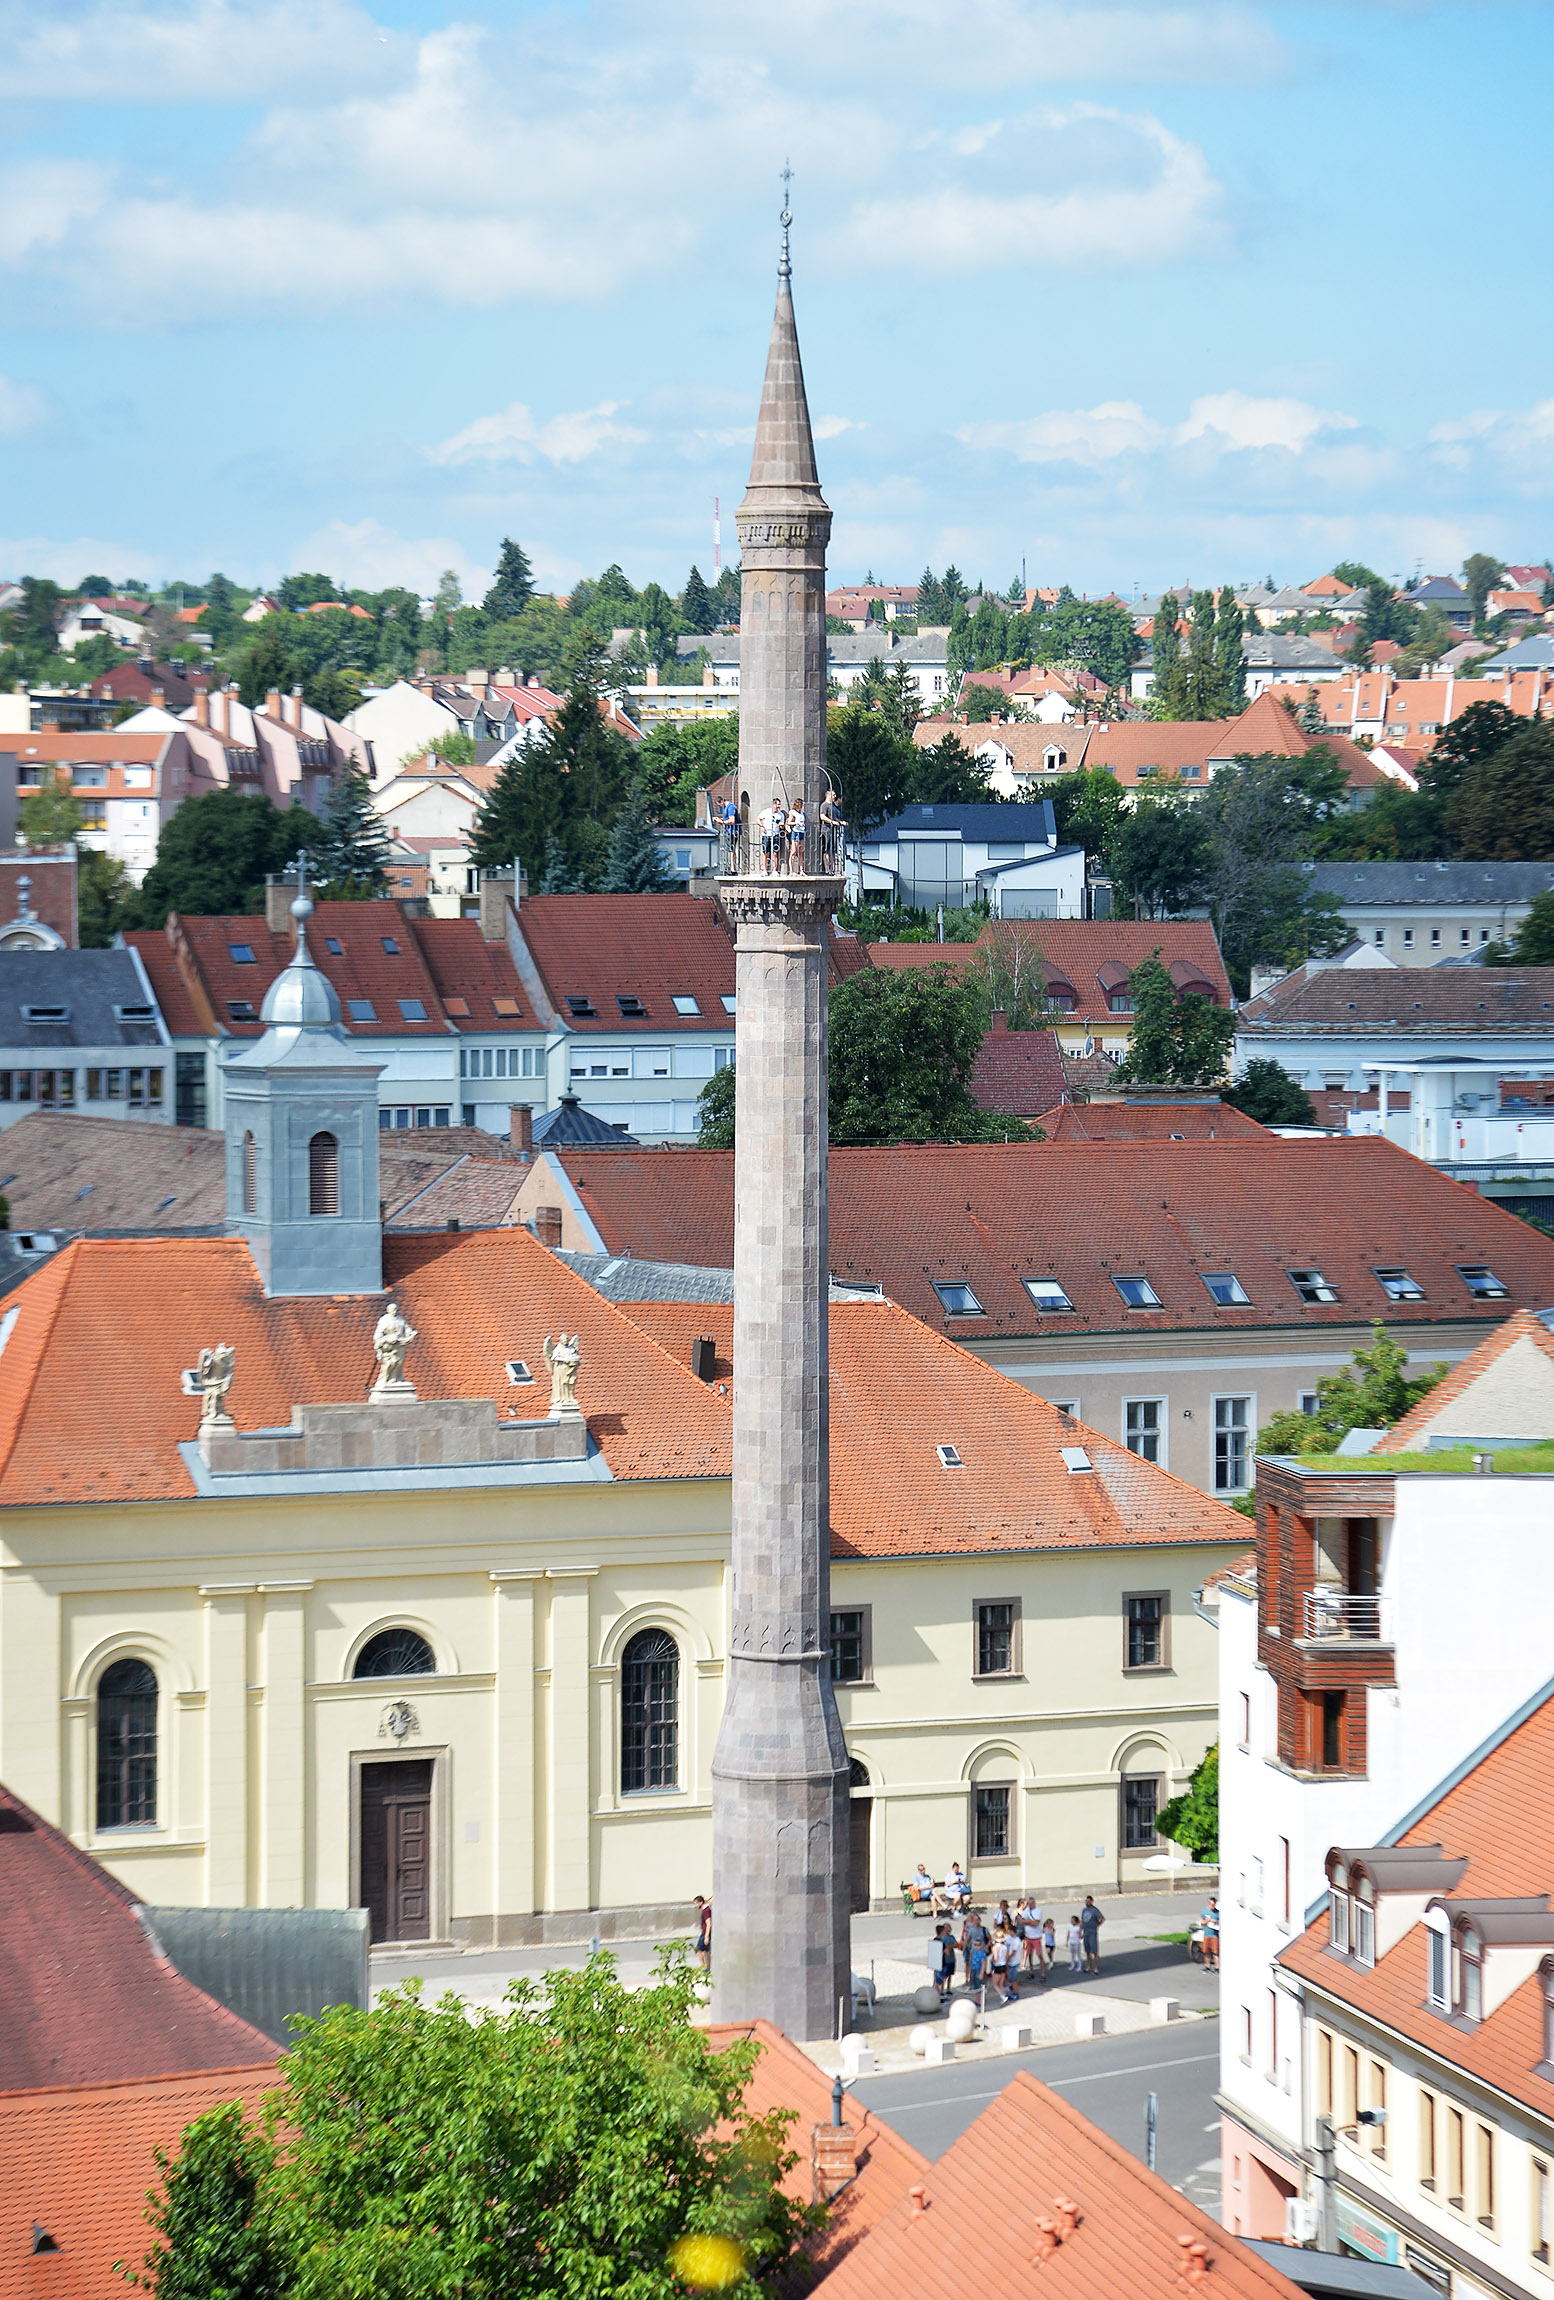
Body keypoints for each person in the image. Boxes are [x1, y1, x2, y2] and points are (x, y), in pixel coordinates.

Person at [961, 1908, 991, 1996]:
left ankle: (984, 1986)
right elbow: (967, 1939)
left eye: (978, 1920)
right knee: (972, 1968)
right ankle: (971, 1985)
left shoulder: (984, 1929)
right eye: (975, 1920)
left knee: (983, 1968)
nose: (976, 1922)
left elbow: (989, 1939)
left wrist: (986, 1946)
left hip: (982, 1951)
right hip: (973, 1951)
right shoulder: (971, 1930)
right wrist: (964, 1948)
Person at [931, 1922, 957, 2005]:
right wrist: (948, 1948)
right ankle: (939, 1997)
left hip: (935, 1963)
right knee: (940, 1981)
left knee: (936, 1980)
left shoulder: (934, 1940)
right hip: (942, 1963)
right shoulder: (942, 1942)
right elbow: (947, 1953)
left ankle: (936, 1995)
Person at [758, 798, 784, 875]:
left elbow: (782, 825)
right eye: (777, 804)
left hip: (775, 834)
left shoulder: (780, 814)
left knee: (775, 853)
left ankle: (774, 870)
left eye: (779, 804)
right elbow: (758, 819)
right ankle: (764, 870)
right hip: (766, 834)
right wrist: (762, 826)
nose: (779, 806)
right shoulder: (766, 812)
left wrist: (781, 825)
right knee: (766, 853)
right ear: (774, 804)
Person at [1081, 1893, 1104, 1975]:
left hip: (1092, 1933)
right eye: (1086, 1901)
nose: (1087, 1903)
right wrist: (1080, 1931)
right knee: (1087, 1951)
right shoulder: (1084, 1910)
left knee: (1094, 1951)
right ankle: (1088, 1966)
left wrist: (1097, 1925)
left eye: (1088, 1901)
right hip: (1086, 1932)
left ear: (1091, 1902)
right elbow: (1082, 1920)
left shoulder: (1095, 1910)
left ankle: (1096, 1968)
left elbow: (1102, 1918)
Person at [718, 793, 739, 872]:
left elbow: (732, 820)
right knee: (730, 849)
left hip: (732, 831)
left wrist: (722, 822)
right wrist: (721, 820)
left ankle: (733, 868)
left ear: (721, 802)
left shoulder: (730, 807)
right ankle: (732, 867)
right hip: (729, 831)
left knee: (731, 849)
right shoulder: (727, 807)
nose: (720, 807)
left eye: (719, 805)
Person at [785, 799, 806, 876]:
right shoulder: (792, 812)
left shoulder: (801, 813)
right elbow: (789, 822)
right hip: (796, 832)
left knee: (801, 851)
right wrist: (796, 823)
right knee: (793, 851)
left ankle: (801, 870)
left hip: (801, 832)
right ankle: (791, 871)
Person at [1200, 1896, 1220, 1972]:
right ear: (1208, 1904)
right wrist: (1206, 1921)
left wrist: (1216, 1922)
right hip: (1207, 1934)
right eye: (1211, 1905)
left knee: (1215, 1952)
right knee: (1206, 1952)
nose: (1213, 1906)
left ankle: (1217, 1968)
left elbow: (1220, 1922)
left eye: (1214, 1905)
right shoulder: (1204, 1912)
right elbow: (1201, 1922)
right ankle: (1207, 1967)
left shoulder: (1217, 1913)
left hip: (1214, 1935)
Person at [693, 1895, 712, 1974]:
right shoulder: (706, 1910)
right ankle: (708, 1968)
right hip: (705, 1933)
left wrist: (706, 1936)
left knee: (698, 1950)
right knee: (707, 1951)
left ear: (701, 1902)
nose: (696, 1905)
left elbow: (708, 1923)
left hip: (705, 1933)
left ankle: (704, 1967)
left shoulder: (706, 1911)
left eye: (696, 1903)